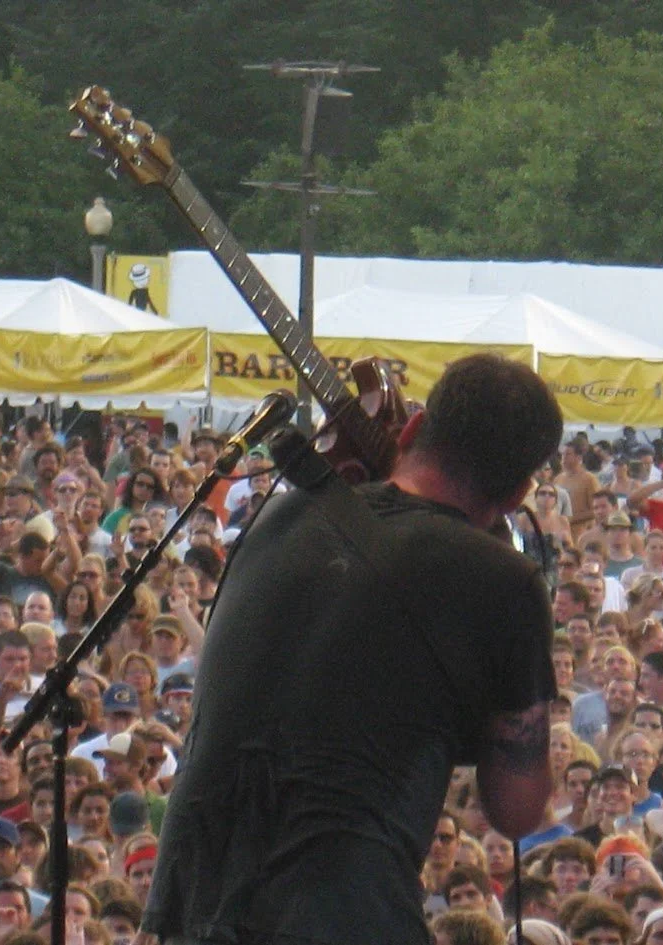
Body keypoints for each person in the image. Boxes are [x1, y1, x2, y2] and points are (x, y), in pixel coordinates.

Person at [144, 355, 562, 945]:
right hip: (341, 909)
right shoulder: (505, 581)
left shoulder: (282, 516)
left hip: (187, 901)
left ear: (414, 431)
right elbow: (515, 808)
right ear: (518, 492)